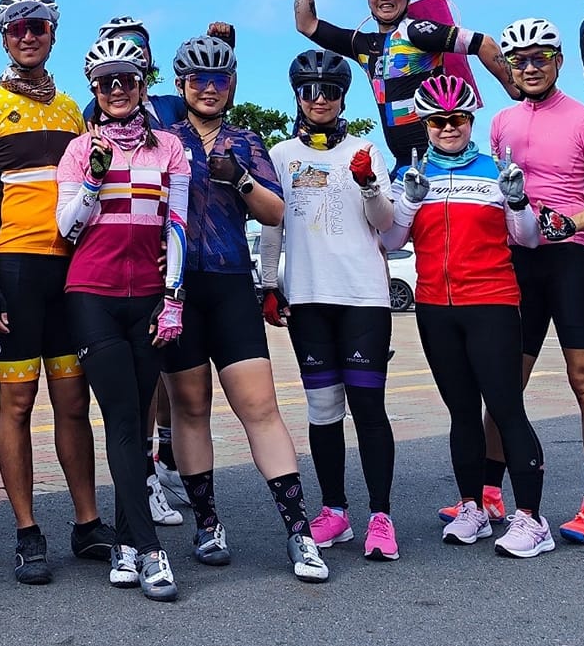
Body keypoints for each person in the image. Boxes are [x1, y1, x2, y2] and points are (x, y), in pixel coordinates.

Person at [450, 17, 584, 543]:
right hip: (515, 261)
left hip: (570, 257)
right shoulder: (501, 121)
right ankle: (488, 493)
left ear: (558, 62)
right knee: (504, 384)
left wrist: (571, 222)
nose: (529, 67)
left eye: (539, 58)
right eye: (519, 60)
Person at [163, 34, 328, 582]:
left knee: (260, 408)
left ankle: (299, 531)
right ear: (181, 84)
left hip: (232, 283)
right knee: (190, 408)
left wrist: (242, 177)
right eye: (198, 80)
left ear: (232, 85)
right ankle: (207, 522)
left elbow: (276, 212)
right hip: (178, 289)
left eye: (220, 79)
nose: (209, 88)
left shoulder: (246, 139)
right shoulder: (163, 137)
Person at [0, 0, 109, 585]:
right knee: (18, 403)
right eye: (18, 27)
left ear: (53, 34)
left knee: (74, 403)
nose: (28, 35)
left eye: (39, 27)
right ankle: (26, 531)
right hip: (16, 269)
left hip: (69, 270)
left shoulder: (75, 111)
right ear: (4, 37)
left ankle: (87, 521)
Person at [383, 74, 552, 558]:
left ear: (470, 119)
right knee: (460, 413)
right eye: (438, 121)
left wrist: (516, 198)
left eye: (457, 118)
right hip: (436, 307)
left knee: (505, 409)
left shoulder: (494, 169)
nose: (448, 127)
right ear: (425, 125)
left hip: (492, 303)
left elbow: (527, 238)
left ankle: (531, 519)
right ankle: (473, 506)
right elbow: (392, 241)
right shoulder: (411, 175)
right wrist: (410, 201)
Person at [56, 35, 190, 601]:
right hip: (92, 293)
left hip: (148, 299)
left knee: (136, 418)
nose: (117, 89)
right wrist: (91, 181)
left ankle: (127, 545)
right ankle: (153, 551)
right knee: (122, 422)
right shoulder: (78, 148)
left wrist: (174, 297)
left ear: (141, 85)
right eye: (107, 81)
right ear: (94, 88)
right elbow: (66, 228)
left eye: (128, 80)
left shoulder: (170, 149)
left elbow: (176, 226)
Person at [259, 51, 401, 563]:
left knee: (367, 408)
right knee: (323, 411)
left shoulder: (364, 149)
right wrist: (267, 285)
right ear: (297, 96)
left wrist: (367, 184)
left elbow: (385, 224)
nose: (320, 99)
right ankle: (335, 512)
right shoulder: (280, 155)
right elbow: (272, 225)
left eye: (331, 91)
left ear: (343, 97)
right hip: (308, 297)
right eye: (310, 91)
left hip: (362, 296)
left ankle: (381, 516)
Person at [293, 0, 518, 167]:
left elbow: (484, 43)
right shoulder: (362, 45)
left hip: (439, 161)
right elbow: (307, 24)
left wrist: (517, 92)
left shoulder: (418, 31)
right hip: (403, 165)